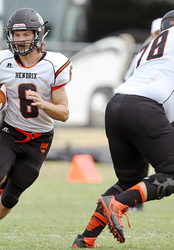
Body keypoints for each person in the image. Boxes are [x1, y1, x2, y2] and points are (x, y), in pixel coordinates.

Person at [0, 8, 72, 245]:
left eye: (26, 34)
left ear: (39, 35)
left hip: (39, 140)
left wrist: (44, 104)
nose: (20, 40)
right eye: (16, 35)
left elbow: (63, 113)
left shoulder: (54, 64)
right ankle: (2, 177)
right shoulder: (2, 62)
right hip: (10, 132)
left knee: (10, 198)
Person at [72, 10, 174, 248]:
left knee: (129, 180)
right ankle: (119, 204)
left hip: (117, 105)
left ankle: (85, 239)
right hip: (145, 109)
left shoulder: (148, 49)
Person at [122, 17, 162, 213]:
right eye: (156, 33)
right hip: (149, 108)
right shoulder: (145, 53)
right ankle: (134, 199)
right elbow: (128, 78)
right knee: (142, 155)